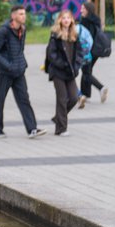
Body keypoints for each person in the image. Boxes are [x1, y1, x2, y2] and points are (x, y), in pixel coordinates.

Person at [0, 5, 46, 140]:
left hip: (19, 72)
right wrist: (8, 66)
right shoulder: (4, 31)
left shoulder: (23, 30)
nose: (24, 16)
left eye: (24, 14)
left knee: (24, 100)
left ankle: (32, 129)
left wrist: (22, 64)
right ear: (13, 16)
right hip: (5, 72)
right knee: (0, 99)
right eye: (21, 14)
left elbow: (20, 50)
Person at [43, 9, 90, 137]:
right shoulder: (55, 35)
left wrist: (76, 65)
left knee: (74, 97)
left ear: (72, 20)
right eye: (63, 18)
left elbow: (80, 53)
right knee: (62, 99)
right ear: (60, 20)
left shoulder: (74, 35)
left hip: (71, 72)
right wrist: (62, 65)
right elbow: (51, 54)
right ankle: (61, 129)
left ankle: (58, 117)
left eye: (68, 18)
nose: (66, 20)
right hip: (58, 72)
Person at [77, 1, 109, 108]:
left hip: (88, 50)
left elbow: (84, 36)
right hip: (96, 50)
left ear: (88, 10)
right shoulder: (96, 19)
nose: (81, 10)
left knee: (86, 72)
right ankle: (85, 95)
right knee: (87, 71)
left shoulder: (85, 21)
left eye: (83, 8)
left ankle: (101, 88)